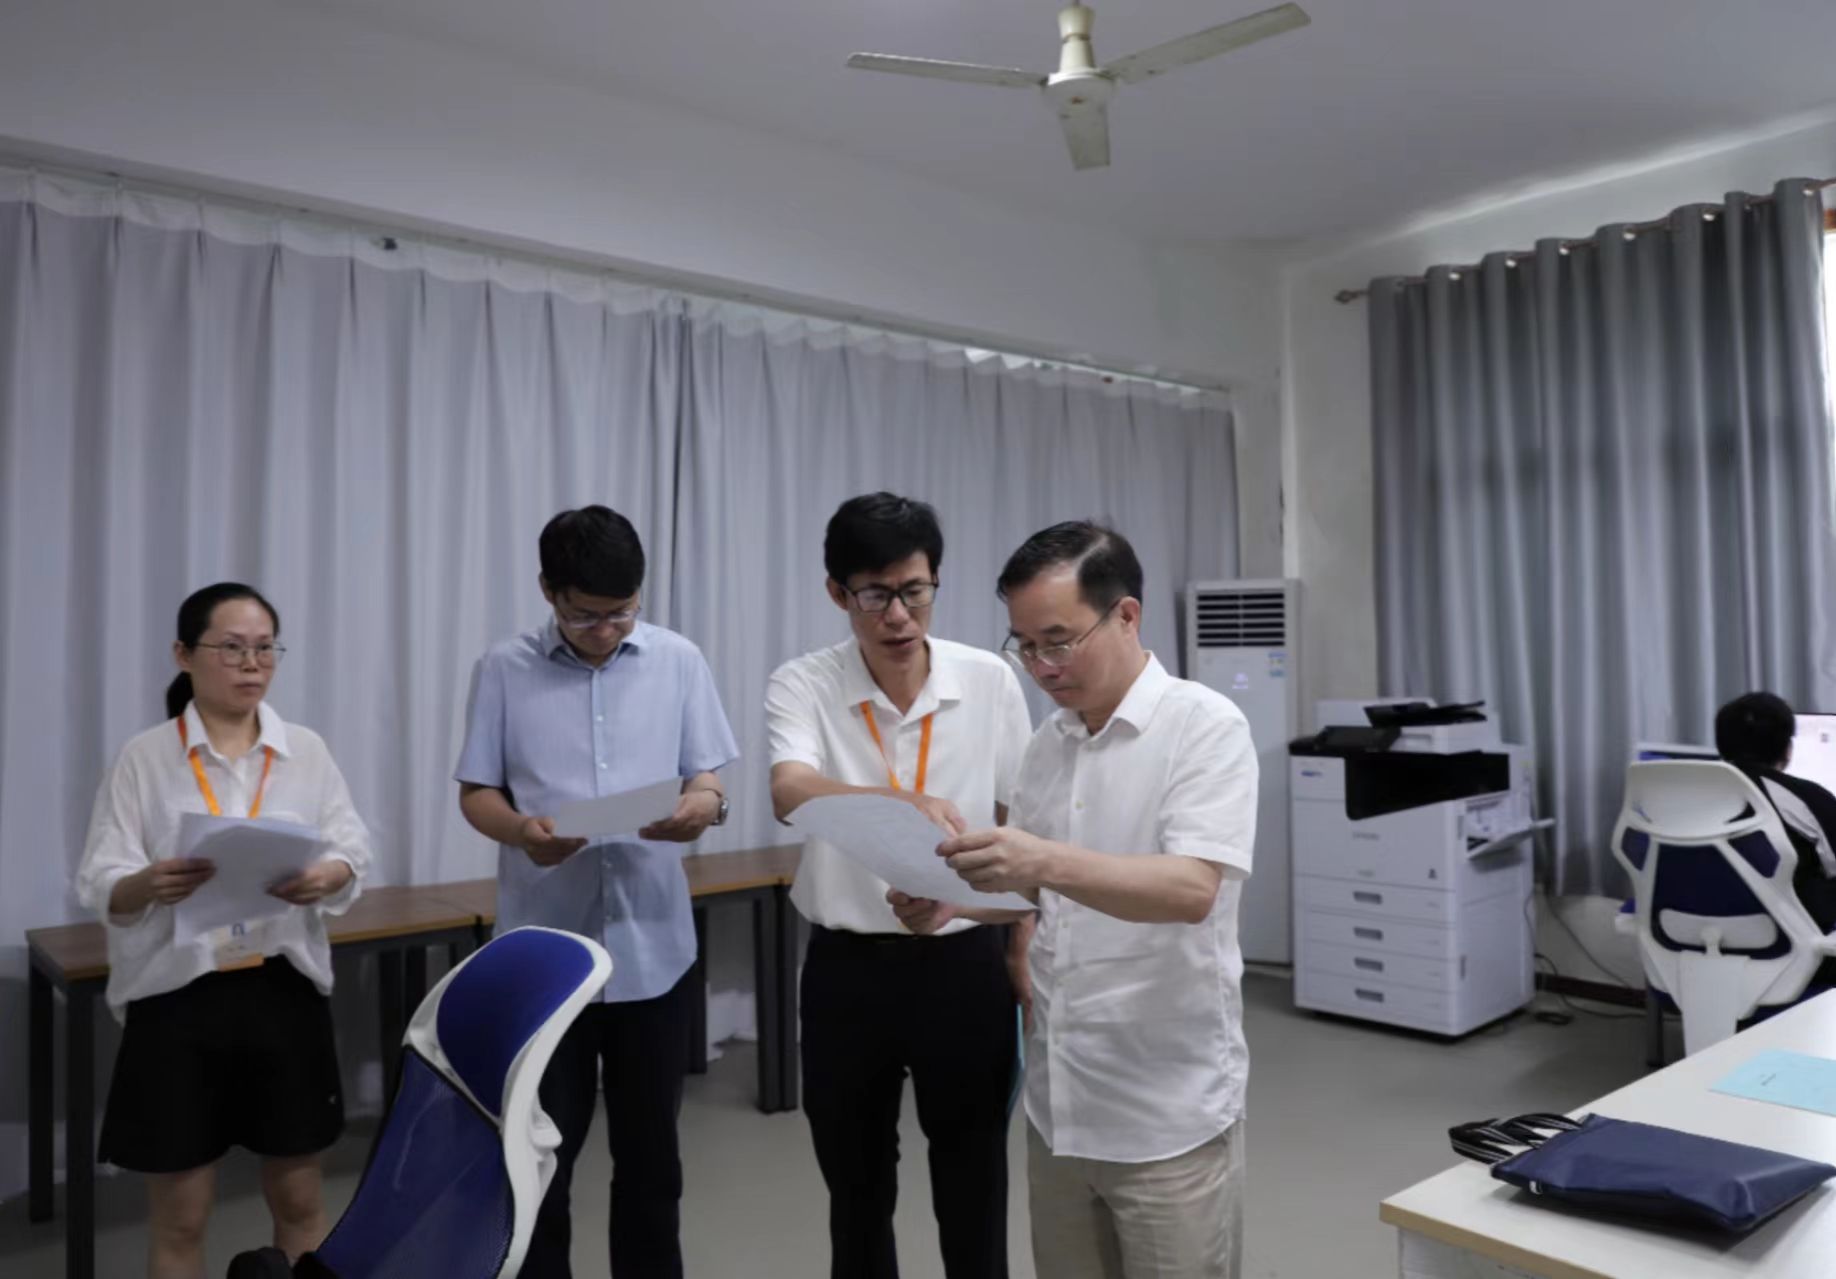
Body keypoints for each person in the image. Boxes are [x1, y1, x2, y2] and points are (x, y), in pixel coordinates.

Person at [892, 521, 1259, 1279]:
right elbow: (1039, 887)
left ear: (1126, 615)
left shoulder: (1203, 726)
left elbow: (1192, 888)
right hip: (1060, 1103)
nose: (1042, 667)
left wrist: (1040, 859)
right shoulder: (1049, 743)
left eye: (1058, 641)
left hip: (1167, 1111)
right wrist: (957, 905)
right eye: (1024, 646)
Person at [455, 504, 738, 1279]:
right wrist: (522, 832)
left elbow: (707, 775)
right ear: (548, 590)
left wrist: (703, 806)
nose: (607, 629)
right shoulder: (503, 668)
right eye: (586, 615)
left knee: (653, 1160)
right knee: (540, 1160)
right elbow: (476, 792)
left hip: (655, 951)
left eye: (623, 611)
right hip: (547, 961)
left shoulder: (678, 659)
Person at [765, 492, 1033, 1279]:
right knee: (855, 1189)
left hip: (964, 961)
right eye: (874, 595)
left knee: (974, 1180)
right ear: (837, 592)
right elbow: (789, 788)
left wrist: (1019, 942)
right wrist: (897, 801)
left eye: (915, 591)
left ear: (935, 580)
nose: (898, 615)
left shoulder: (988, 679)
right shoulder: (805, 682)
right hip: (849, 968)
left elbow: (1023, 820)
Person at [74, 582, 372, 1279]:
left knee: (300, 1198)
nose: (251, 664)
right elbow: (100, 879)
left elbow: (352, 849)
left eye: (265, 649)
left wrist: (327, 875)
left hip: (282, 988)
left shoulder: (305, 750)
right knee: (181, 1215)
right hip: (180, 997)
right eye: (232, 648)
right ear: (184, 654)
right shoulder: (146, 757)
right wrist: (148, 882)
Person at [1715, 691, 1836, 933]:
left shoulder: (1682, 796)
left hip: (1681, 939)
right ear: (1788, 749)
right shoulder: (1808, 798)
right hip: (1792, 943)